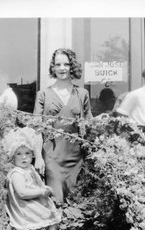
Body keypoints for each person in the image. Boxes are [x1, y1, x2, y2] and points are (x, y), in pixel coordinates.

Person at [33, 48, 93, 202]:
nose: (61, 68)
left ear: (72, 66)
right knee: (55, 200)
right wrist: (38, 157)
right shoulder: (43, 95)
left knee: (76, 201)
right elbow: (37, 130)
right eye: (57, 64)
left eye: (66, 64)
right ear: (52, 67)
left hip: (76, 157)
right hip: (52, 156)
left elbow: (89, 125)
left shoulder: (82, 94)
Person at [3, 127, 61, 230]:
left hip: (32, 198)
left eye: (27, 153)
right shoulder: (17, 173)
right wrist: (41, 192)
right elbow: (22, 193)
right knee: (44, 213)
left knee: (50, 211)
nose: (24, 157)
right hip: (23, 204)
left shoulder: (29, 168)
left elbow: (37, 182)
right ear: (12, 156)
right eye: (19, 154)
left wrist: (43, 188)